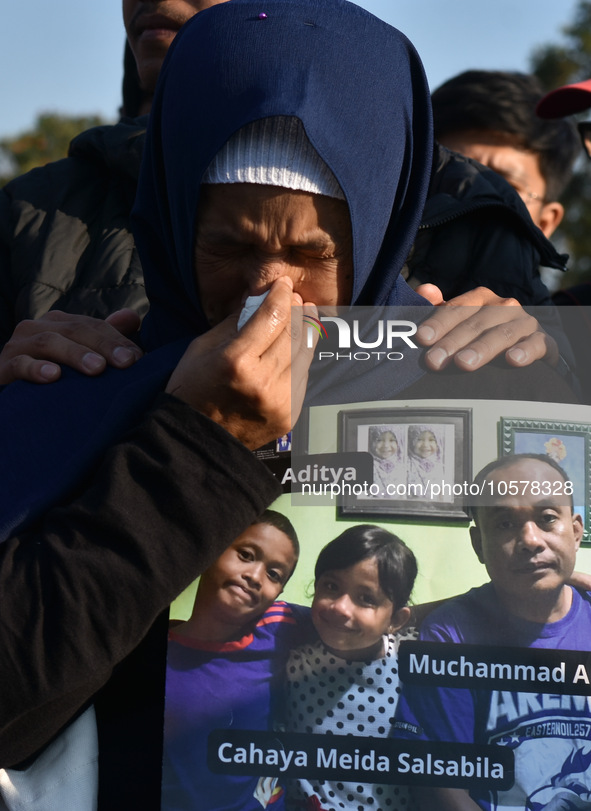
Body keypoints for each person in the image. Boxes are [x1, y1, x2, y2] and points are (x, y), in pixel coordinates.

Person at [0, 4, 567, 384]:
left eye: (312, 254)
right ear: (169, 228)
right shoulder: (90, 378)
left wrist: (541, 367)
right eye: (228, 246)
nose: (268, 293)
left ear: (384, 239)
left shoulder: (451, 357)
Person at [394, 453, 591, 810]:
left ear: (576, 532)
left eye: (547, 519)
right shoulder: (451, 635)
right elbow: (442, 785)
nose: (530, 540)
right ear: (478, 544)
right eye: (503, 524)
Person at [162, 510, 311, 811]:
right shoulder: (148, 648)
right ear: (212, 549)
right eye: (246, 555)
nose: (255, 577)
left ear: (278, 592)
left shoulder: (279, 627)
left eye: (274, 574)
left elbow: (347, 615)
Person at [284, 525, 417, 811]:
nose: (341, 607)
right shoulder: (294, 662)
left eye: (366, 598)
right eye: (331, 586)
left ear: (396, 620)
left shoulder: (410, 669)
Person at [368, 426, 406, 497]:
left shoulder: (403, 466)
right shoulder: (368, 466)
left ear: (398, 443)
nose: (386, 445)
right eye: (379, 440)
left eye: (391, 440)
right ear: (371, 442)